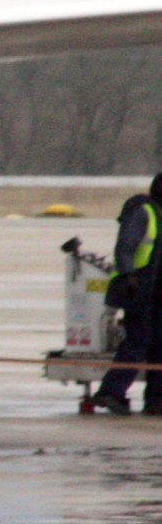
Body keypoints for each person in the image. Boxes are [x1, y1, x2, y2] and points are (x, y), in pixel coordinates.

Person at [92, 172, 162, 414]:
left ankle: (156, 399)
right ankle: (110, 392)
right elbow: (125, 246)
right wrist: (129, 276)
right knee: (137, 342)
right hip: (139, 291)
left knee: (158, 345)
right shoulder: (144, 212)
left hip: (156, 293)